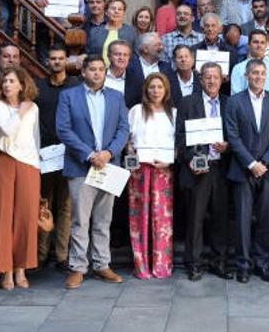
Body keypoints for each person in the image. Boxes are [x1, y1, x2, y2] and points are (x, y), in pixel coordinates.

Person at [57, 56, 130, 290]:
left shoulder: (116, 97)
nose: (97, 73)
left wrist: (108, 153)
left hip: (108, 166)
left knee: (103, 220)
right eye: (92, 69)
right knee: (80, 220)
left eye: (101, 70)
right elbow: (64, 130)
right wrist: (90, 154)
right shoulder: (69, 96)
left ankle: (102, 264)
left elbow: (123, 129)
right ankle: (78, 268)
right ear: (84, 72)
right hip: (81, 166)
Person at [224, 59, 269, 283]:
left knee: (264, 219)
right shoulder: (234, 102)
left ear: (266, 75)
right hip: (243, 170)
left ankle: (263, 263)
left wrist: (266, 162)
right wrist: (252, 164)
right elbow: (232, 136)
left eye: (262, 73)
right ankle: (243, 264)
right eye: (254, 73)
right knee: (242, 220)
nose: (258, 77)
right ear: (246, 76)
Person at [175, 62, 233, 281]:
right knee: (195, 219)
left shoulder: (229, 104)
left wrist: (227, 146)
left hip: (221, 168)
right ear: (200, 80)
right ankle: (194, 263)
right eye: (207, 77)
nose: (211, 81)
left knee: (221, 218)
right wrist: (191, 160)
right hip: (197, 170)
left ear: (222, 80)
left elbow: (236, 135)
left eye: (215, 77)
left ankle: (219, 262)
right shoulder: (188, 103)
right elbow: (180, 136)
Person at [0, 66, 41, 290]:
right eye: (4, 82)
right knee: (3, 215)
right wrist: (21, 111)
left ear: (21, 84)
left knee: (26, 216)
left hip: (29, 164)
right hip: (5, 161)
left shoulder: (34, 108)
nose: (7, 85)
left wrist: (37, 165)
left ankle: (21, 269)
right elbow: (7, 130)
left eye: (11, 81)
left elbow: (34, 138)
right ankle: (6, 271)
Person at [34, 44, 80, 271]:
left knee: (65, 206)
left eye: (61, 59)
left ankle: (62, 256)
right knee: (43, 203)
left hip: (68, 154)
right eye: (52, 59)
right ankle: (41, 255)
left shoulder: (75, 86)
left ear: (66, 61)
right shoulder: (38, 87)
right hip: (43, 154)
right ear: (47, 62)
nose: (56, 62)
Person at [127, 73, 177, 279]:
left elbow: (177, 144)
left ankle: (161, 264)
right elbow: (129, 143)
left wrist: (170, 160)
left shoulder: (173, 113)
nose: (155, 91)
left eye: (159, 87)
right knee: (139, 218)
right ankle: (142, 264)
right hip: (139, 171)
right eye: (152, 87)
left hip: (164, 171)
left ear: (166, 90)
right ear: (146, 90)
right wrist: (131, 162)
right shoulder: (137, 111)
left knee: (162, 220)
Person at [231, 30, 269, 95]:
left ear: (266, 45)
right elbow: (236, 97)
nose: (259, 45)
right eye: (255, 42)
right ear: (249, 45)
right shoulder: (238, 68)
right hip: (245, 105)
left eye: (262, 43)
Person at [87, 0, 138, 66]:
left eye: (120, 9)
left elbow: (135, 56)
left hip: (124, 73)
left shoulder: (131, 32)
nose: (116, 11)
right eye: (113, 8)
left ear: (123, 13)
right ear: (106, 12)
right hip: (100, 72)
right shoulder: (95, 32)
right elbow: (88, 53)